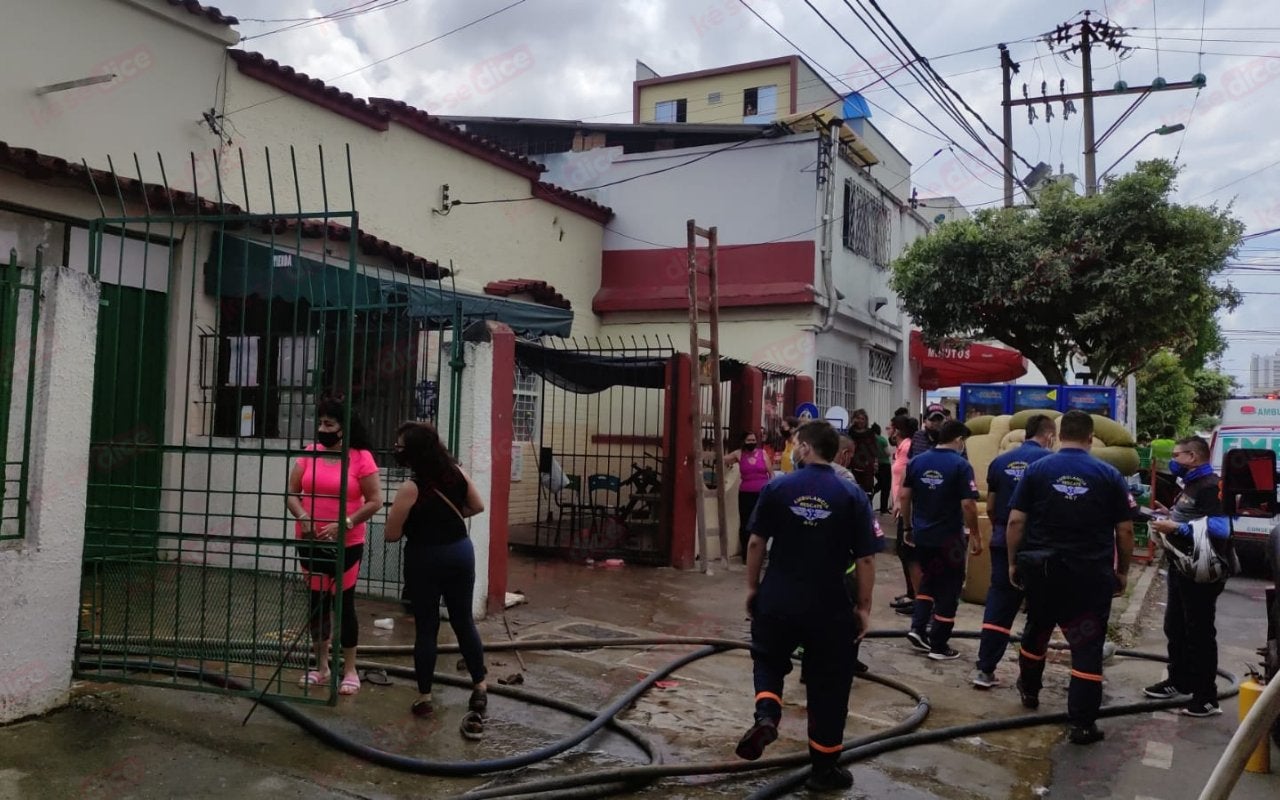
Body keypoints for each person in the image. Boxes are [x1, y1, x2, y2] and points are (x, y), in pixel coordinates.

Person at [735, 421, 878, 792]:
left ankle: (767, 715)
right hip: (830, 606)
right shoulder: (852, 494)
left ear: (805, 448)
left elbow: (756, 542)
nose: (793, 449)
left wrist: (752, 588)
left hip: (779, 599)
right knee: (829, 685)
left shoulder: (778, 487)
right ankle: (824, 770)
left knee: (768, 658)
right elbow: (866, 559)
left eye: (796, 443)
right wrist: (863, 608)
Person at [1006, 410, 1136, 745]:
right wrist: (1122, 571)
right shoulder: (1109, 474)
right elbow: (1124, 530)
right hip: (1089, 575)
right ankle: (1082, 723)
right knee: (1087, 644)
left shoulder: (1037, 470)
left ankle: (1029, 690)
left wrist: (1013, 563)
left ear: (1059, 435)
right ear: (1090, 438)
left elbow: (1016, 521)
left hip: (1044, 572)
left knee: (1037, 629)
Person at [383, 421, 489, 738]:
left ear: (414, 451)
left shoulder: (411, 488)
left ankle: (425, 697)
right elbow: (477, 505)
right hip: (460, 553)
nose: (396, 450)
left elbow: (391, 534)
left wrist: (416, 521)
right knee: (463, 621)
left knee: (427, 627)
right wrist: (446, 520)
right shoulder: (456, 473)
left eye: (400, 446)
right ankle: (480, 687)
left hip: (425, 558)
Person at [286, 397, 383, 697]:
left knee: (344, 604)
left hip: (346, 543)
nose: (322, 429)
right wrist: (303, 516)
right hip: (310, 540)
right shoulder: (309, 454)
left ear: (344, 428)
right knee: (317, 603)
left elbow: (375, 501)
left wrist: (346, 523)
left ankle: (350, 669)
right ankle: (322, 667)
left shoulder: (361, 458)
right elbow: (292, 493)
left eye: (329, 424)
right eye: (320, 423)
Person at [1144, 435, 1232, 717]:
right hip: (1180, 566)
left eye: (1177, 455)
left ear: (1192, 457)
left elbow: (1221, 528)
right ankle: (1179, 680)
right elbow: (1193, 516)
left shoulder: (1211, 487)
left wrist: (1177, 528)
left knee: (1199, 632)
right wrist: (1169, 515)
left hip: (1201, 571)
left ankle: (1206, 697)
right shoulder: (1190, 485)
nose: (1173, 461)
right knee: (1176, 627)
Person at [973, 414, 1056, 688]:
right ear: (1049, 436)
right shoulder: (1050, 464)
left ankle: (985, 669)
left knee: (999, 605)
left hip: (1003, 543)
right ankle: (1029, 682)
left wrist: (1002, 530)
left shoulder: (1000, 462)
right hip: (1039, 549)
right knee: (1040, 611)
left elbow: (992, 506)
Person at [899, 420, 982, 660]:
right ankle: (939, 645)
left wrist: (908, 526)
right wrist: (976, 534)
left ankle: (918, 628)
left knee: (929, 581)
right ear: (958, 439)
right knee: (949, 588)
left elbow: (904, 496)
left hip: (923, 536)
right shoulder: (961, 465)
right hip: (949, 539)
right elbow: (968, 504)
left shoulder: (917, 462)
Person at [725, 430, 774, 564]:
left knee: (761, 522)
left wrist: (771, 491)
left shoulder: (762, 453)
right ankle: (746, 555)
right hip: (745, 494)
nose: (752, 442)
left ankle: (760, 553)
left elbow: (771, 474)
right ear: (743, 442)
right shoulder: (739, 454)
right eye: (749, 440)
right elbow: (722, 459)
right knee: (745, 523)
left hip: (762, 494)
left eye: (754, 440)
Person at [889, 415, 920, 615]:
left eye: (890, 427)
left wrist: (900, 501)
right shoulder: (900, 449)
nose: (888, 431)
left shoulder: (908, 447)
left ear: (897, 430)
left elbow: (906, 477)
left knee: (907, 551)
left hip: (907, 506)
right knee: (902, 551)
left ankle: (916, 596)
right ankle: (911, 593)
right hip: (901, 504)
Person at [846, 409, 879, 494]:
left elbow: (874, 449)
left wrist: (875, 462)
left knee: (867, 490)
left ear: (866, 420)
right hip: (854, 465)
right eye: (858, 418)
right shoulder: (851, 432)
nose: (860, 421)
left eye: (862, 419)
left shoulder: (870, 432)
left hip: (867, 466)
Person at [873, 423, 893, 514]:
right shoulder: (882, 440)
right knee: (886, 486)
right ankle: (883, 508)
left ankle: (872, 492)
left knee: (880, 483)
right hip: (885, 464)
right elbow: (887, 453)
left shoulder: (871, 440)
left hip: (876, 464)